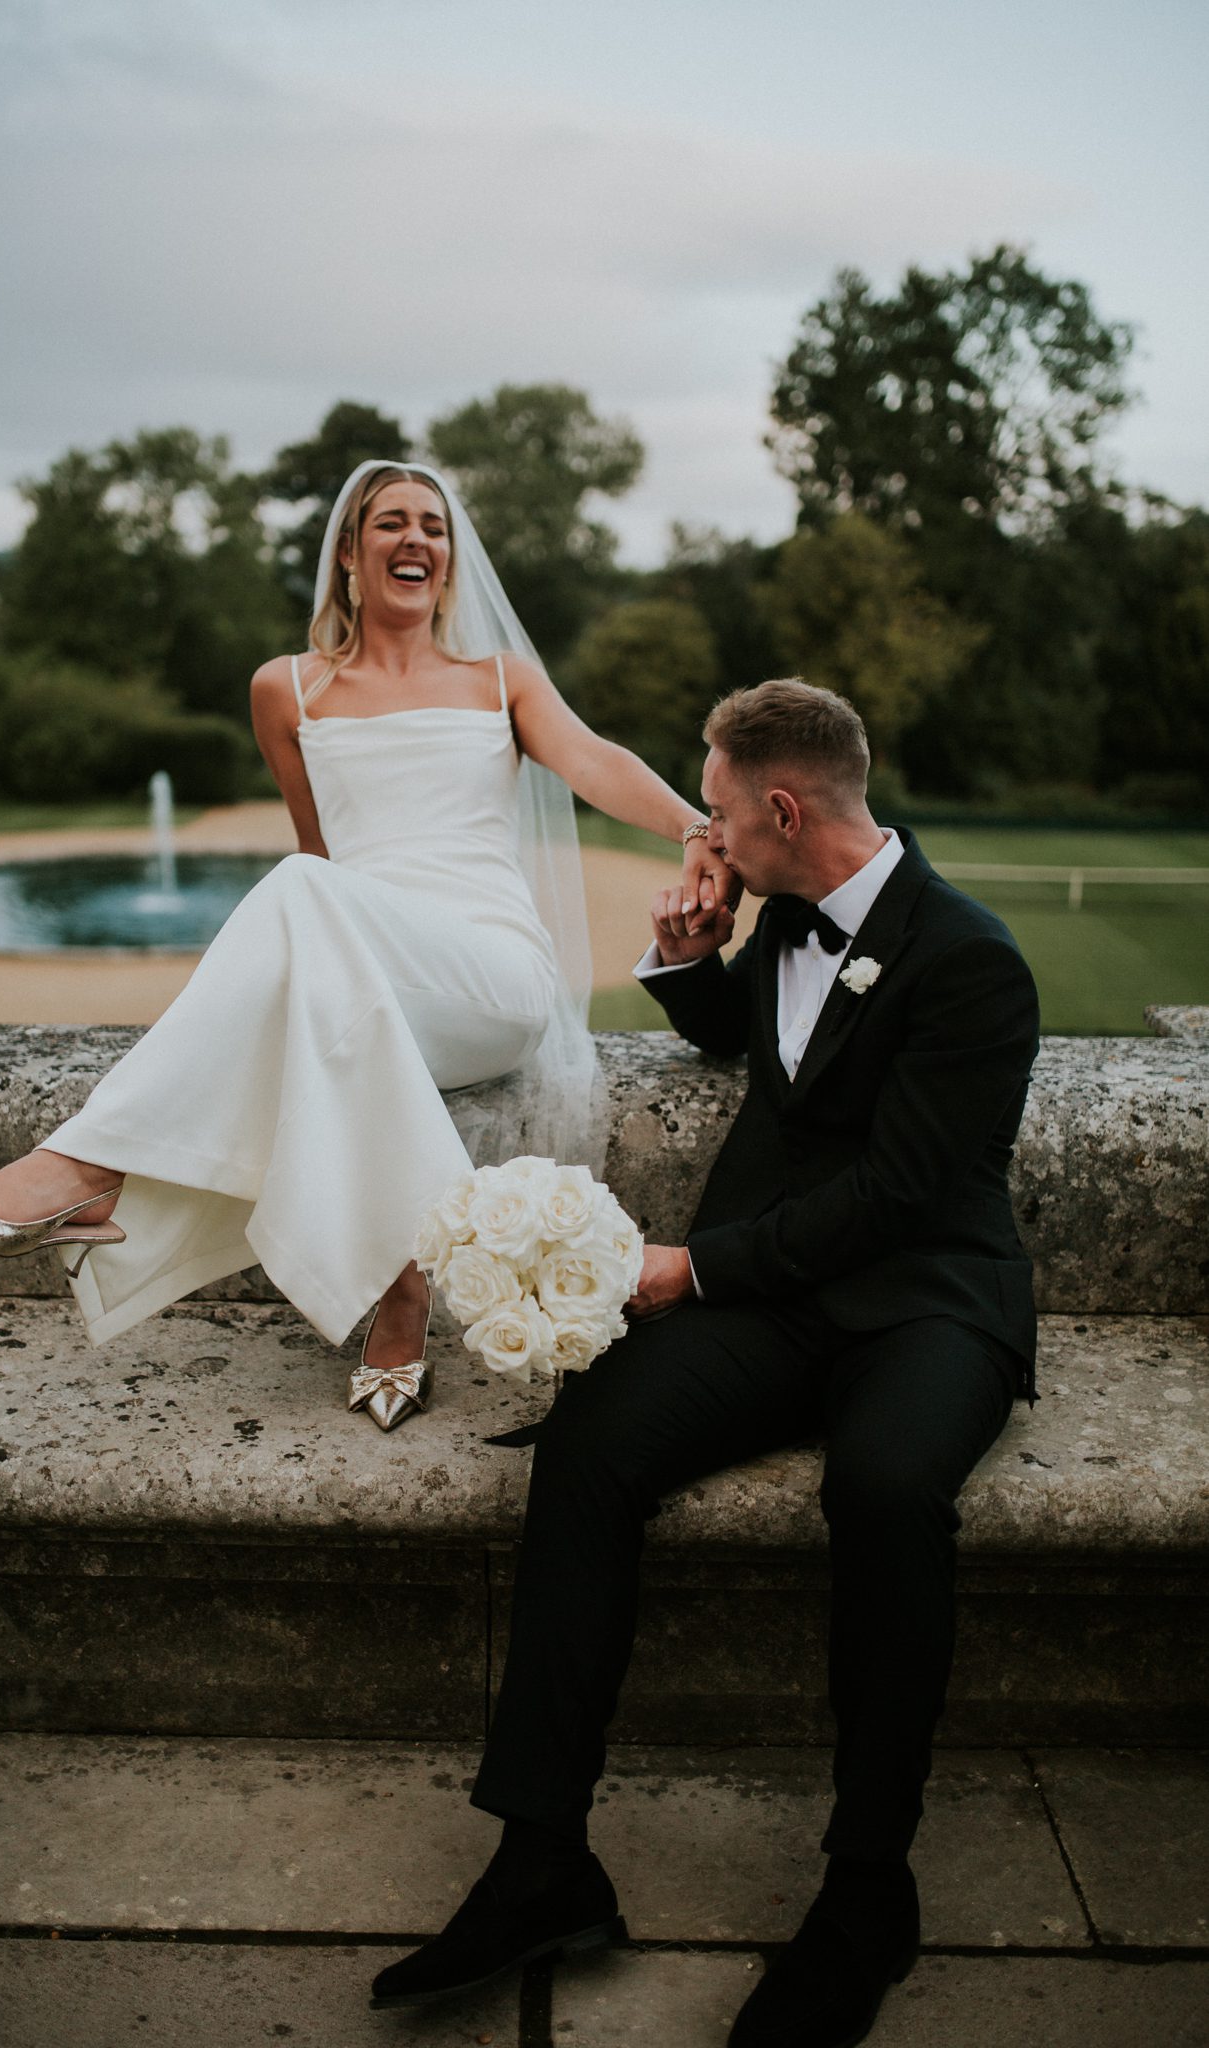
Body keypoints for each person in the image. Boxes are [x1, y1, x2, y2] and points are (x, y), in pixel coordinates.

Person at [371, 678, 1040, 2045]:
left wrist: (695, 1269)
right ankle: (542, 1858)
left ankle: (868, 1892)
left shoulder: (972, 959)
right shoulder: (788, 909)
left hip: (925, 1303)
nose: (706, 835)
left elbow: (901, 1193)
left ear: (782, 808)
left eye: (719, 813)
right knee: (590, 1442)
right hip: (782, 1302)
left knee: (884, 1489)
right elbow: (755, 1039)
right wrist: (687, 960)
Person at [0, 461, 732, 1430]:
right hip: (369, 974)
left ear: (449, 559)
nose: (416, 539)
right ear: (348, 552)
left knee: (298, 891)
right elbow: (321, 851)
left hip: (490, 976)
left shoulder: (500, 678)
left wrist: (694, 827)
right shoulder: (284, 688)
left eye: (434, 525)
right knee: (319, 944)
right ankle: (401, 1291)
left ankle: (83, 1169)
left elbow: (592, 759)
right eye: (391, 522)